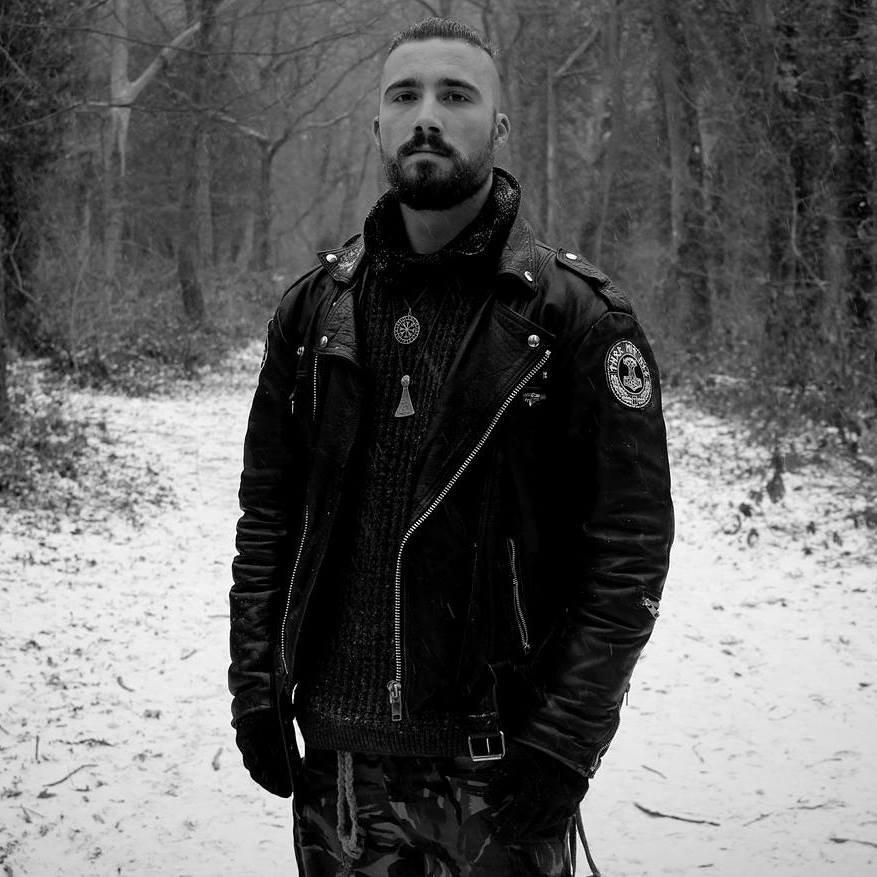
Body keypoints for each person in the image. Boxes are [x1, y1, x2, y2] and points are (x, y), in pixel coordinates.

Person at [229, 16, 673, 877]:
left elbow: (629, 549)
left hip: (498, 769)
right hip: (338, 769)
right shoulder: (313, 312)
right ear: (377, 126)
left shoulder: (575, 320)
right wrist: (255, 685)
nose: (427, 116)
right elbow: (268, 516)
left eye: (455, 95)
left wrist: (567, 737)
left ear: (498, 125)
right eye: (405, 95)